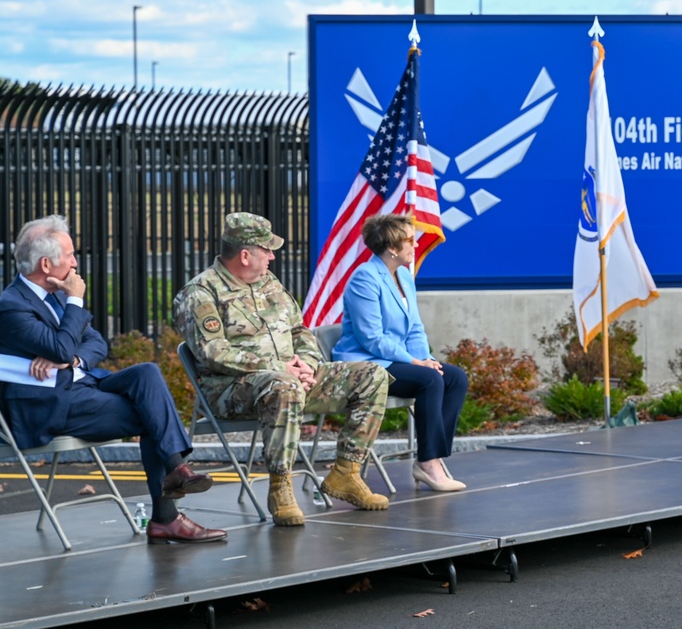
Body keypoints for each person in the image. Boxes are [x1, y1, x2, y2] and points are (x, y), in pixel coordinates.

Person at [0, 215, 226, 544]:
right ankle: (167, 515)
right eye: (71, 255)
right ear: (46, 264)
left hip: (82, 384)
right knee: (152, 416)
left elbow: (95, 343)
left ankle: (176, 474)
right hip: (48, 406)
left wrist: (73, 359)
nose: (77, 263)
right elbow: (63, 346)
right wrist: (74, 311)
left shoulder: (58, 294)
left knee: (147, 373)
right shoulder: (12, 306)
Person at [172, 213, 391, 526]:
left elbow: (300, 330)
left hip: (289, 379)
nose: (273, 256)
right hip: (232, 391)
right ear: (245, 255)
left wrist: (307, 363)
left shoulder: (268, 283)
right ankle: (280, 487)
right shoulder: (200, 293)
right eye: (267, 249)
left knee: (372, 376)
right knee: (282, 386)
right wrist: (279, 367)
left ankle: (346, 472)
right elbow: (212, 353)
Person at [333, 214, 468, 492]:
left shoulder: (405, 276)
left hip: (396, 359)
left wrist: (426, 358)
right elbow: (371, 338)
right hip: (366, 363)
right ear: (392, 248)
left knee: (454, 376)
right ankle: (429, 464)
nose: (415, 244)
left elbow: (415, 327)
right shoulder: (364, 279)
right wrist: (415, 362)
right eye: (409, 239)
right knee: (429, 380)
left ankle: (432, 457)